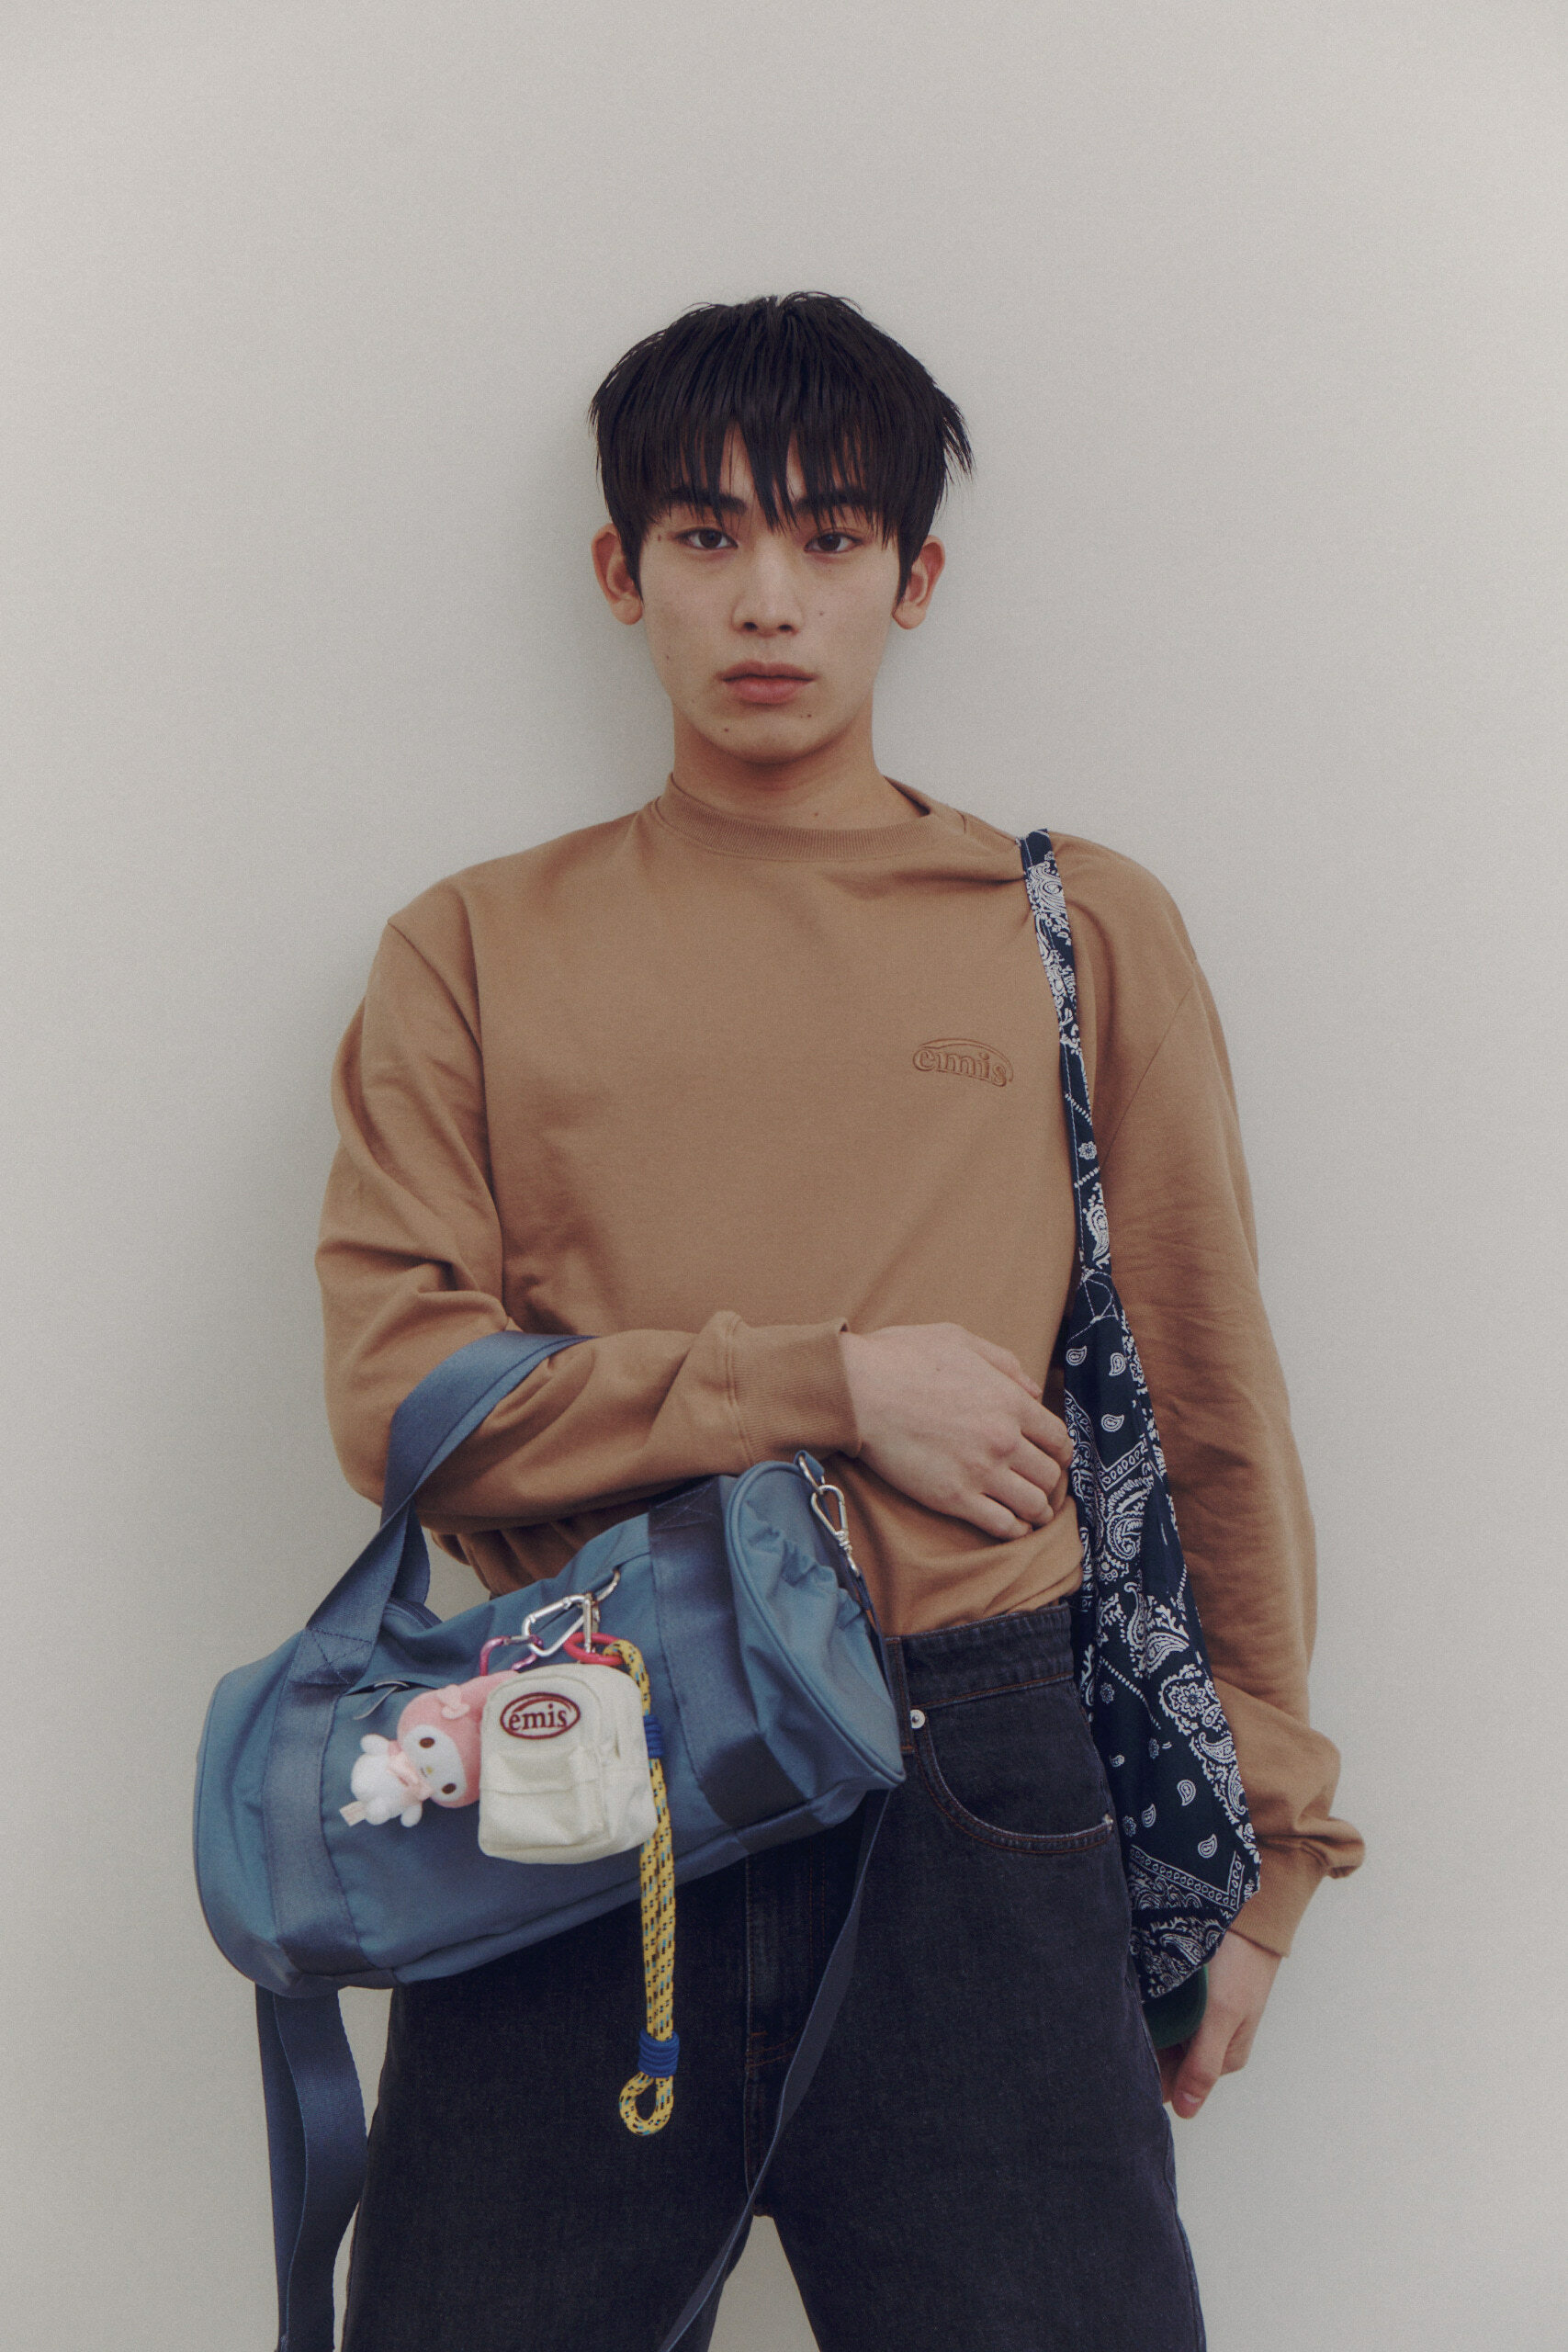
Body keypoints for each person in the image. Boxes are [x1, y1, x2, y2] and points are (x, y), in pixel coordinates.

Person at [318, 292, 1361, 2352]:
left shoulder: (1069, 929)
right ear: (621, 571)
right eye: (708, 536)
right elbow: (405, 1403)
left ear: (915, 576)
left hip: (976, 1768)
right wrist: (828, 1383)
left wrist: (1267, 1851)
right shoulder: (473, 945)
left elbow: (1204, 1406)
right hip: (577, 1760)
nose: (769, 597)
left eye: (830, 535)